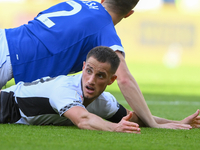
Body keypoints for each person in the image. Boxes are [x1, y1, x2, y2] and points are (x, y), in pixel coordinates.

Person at [0, 0, 196, 129]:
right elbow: (125, 79)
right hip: (10, 57)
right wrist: (154, 125)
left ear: (103, 0)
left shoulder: (82, 4)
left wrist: (175, 123)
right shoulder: (104, 29)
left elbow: (40, 20)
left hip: (6, 36)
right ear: (129, 13)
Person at [0, 46, 200, 133]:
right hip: (5, 105)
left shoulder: (105, 101)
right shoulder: (65, 89)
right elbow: (83, 120)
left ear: (111, 80)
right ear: (84, 66)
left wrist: (177, 123)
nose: (91, 80)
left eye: (100, 76)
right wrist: (115, 128)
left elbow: (136, 118)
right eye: (89, 71)